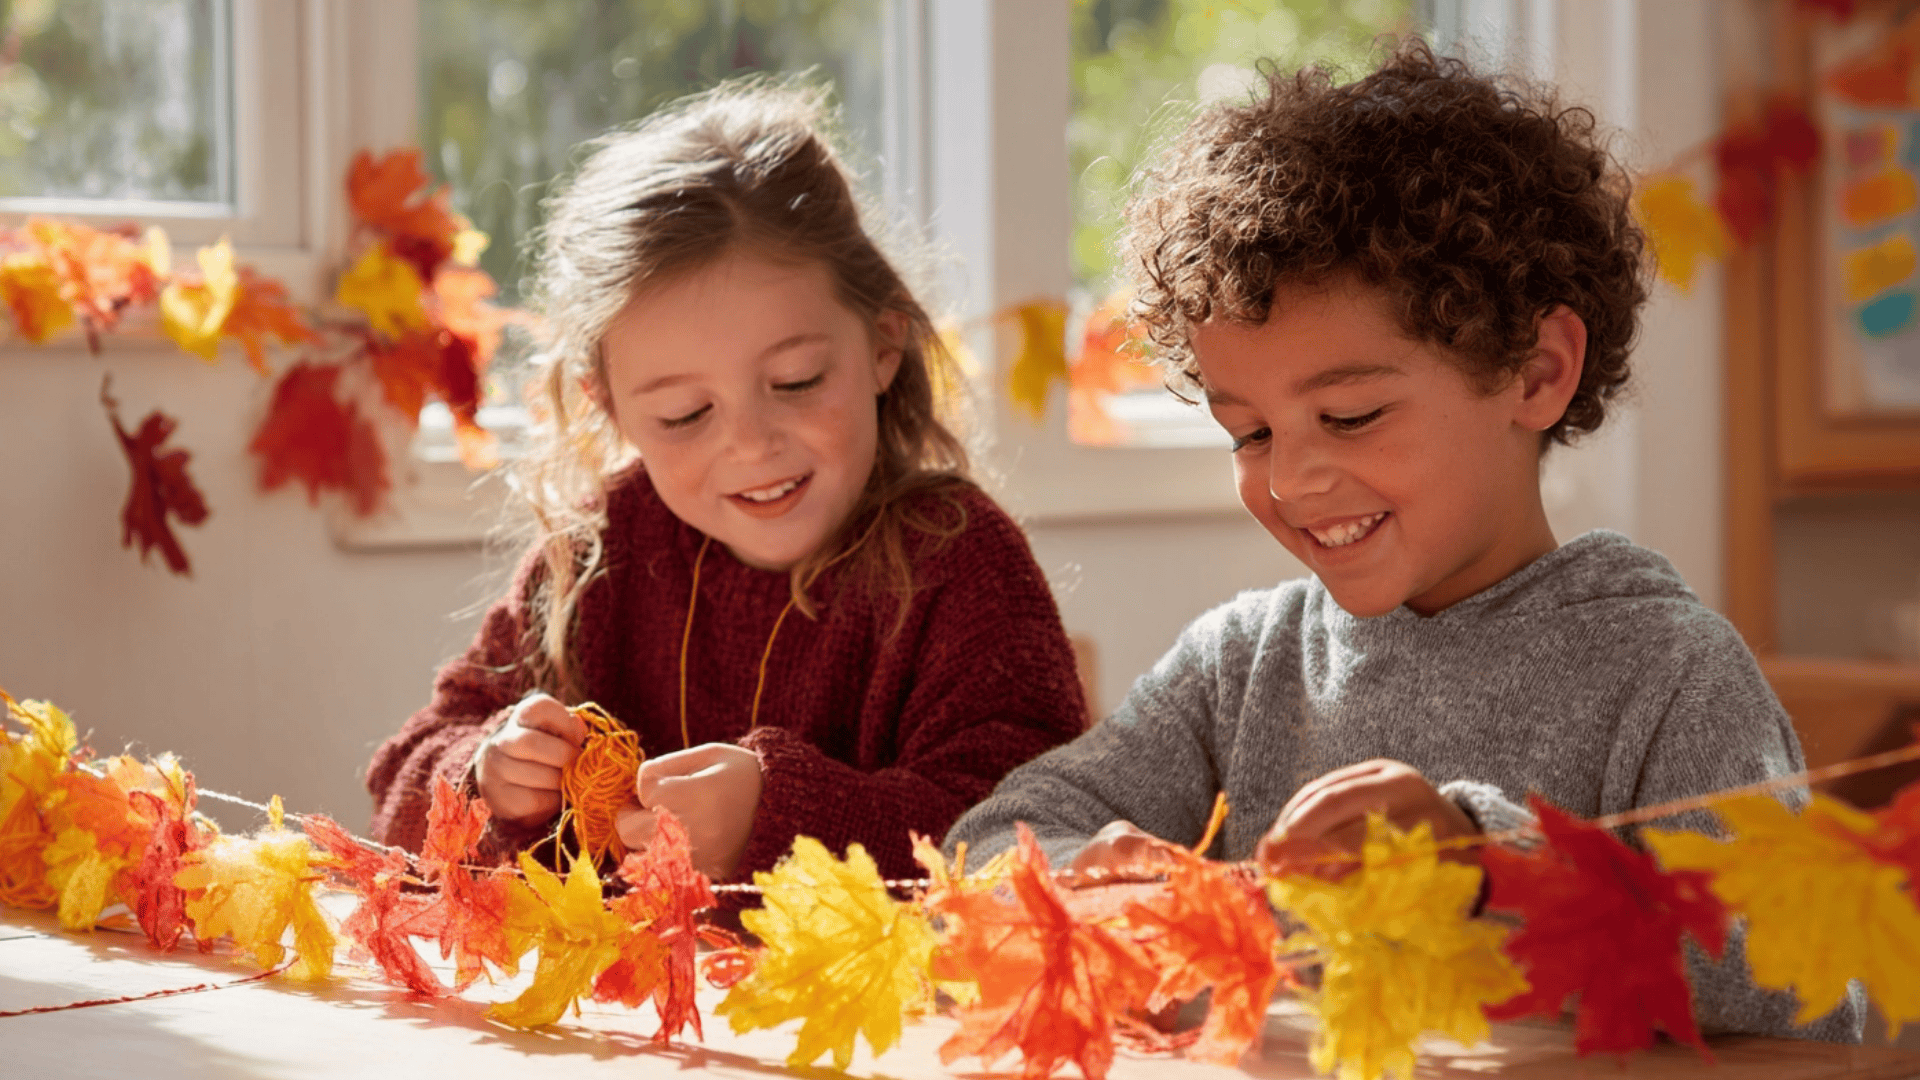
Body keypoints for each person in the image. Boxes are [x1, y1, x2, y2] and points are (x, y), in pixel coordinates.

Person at [945, 42, 1862, 1041]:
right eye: (1248, 432)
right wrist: (1081, 879)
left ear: (1537, 371)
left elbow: (1787, 991)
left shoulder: (1668, 673)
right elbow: (986, 843)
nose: (1290, 479)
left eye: (1349, 417)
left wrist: (1487, 868)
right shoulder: (1239, 666)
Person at [367, 81, 1086, 886]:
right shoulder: (600, 552)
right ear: (609, 408)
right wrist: (486, 774)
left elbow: (1037, 833)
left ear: (883, 345)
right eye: (684, 414)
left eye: (797, 380)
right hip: (614, 1011)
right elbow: (400, 778)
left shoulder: (960, 563)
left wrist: (779, 820)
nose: (751, 443)